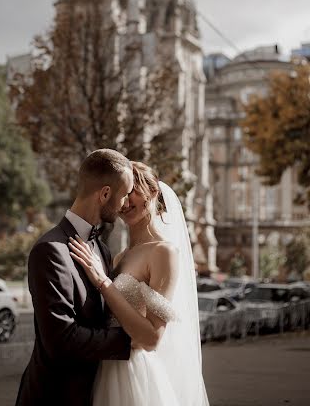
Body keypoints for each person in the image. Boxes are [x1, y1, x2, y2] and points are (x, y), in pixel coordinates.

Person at [69, 161, 210, 406]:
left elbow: (153, 337)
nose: (126, 200)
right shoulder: (121, 256)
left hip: (133, 375)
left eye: (134, 189)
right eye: (123, 192)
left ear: (153, 192)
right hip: (103, 367)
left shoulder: (164, 253)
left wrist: (103, 281)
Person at [15, 148, 134, 406]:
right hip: (53, 396)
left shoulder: (102, 249)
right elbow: (61, 340)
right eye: (124, 196)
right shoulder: (50, 250)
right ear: (104, 194)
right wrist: (132, 338)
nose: (125, 204)